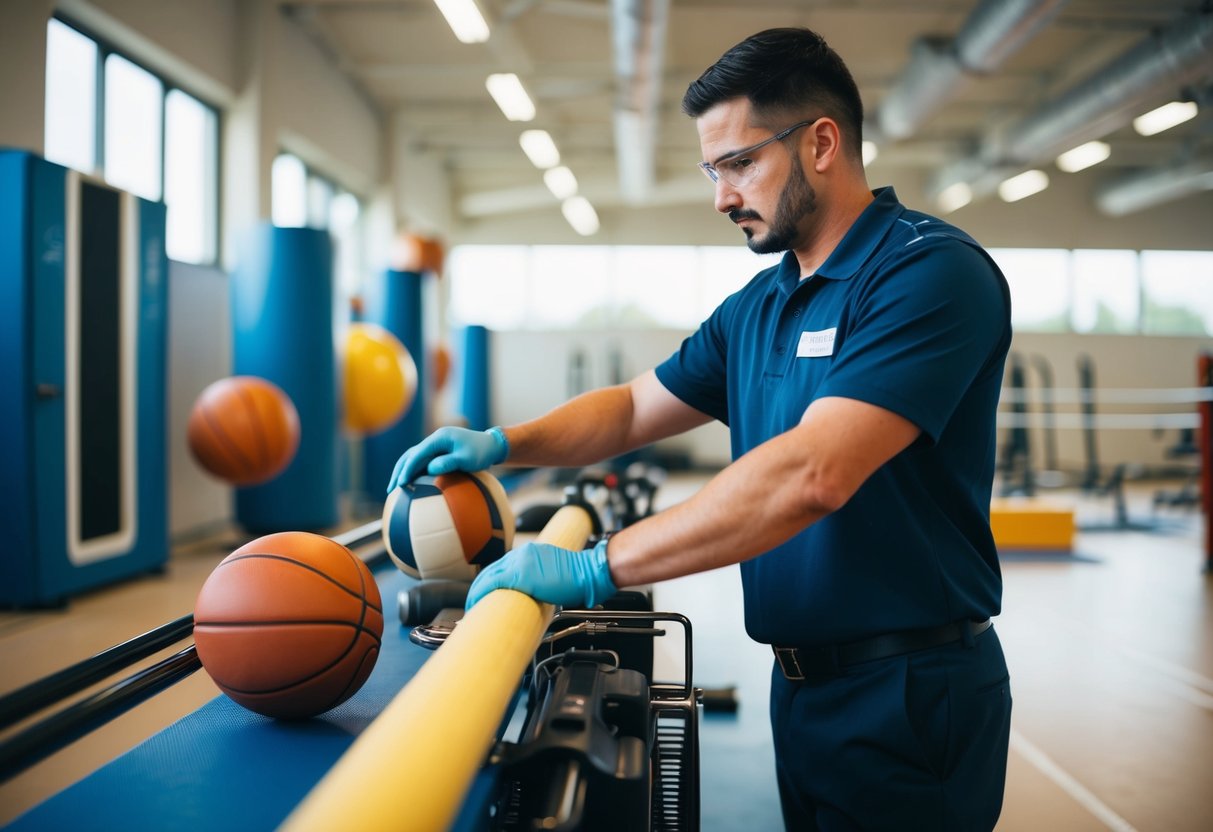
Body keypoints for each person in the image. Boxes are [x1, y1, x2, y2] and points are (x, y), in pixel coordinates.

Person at [388, 27, 1013, 831]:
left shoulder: (928, 272)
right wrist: (504, 445)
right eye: (710, 170)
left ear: (821, 142)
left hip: (909, 691)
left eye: (739, 162)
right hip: (799, 687)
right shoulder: (759, 304)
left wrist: (592, 569)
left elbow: (810, 474)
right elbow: (629, 407)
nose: (721, 196)